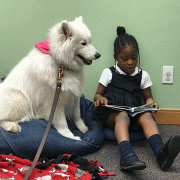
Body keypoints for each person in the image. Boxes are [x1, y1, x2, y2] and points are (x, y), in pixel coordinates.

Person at [94, 26, 180, 171]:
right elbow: (97, 94)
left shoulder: (143, 75)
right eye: (125, 58)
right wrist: (100, 99)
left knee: (146, 115)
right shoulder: (108, 72)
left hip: (134, 114)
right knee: (122, 116)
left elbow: (148, 98)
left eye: (134, 58)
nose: (130, 62)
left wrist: (151, 104)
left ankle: (161, 153)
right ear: (116, 57)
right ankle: (127, 156)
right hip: (112, 115)